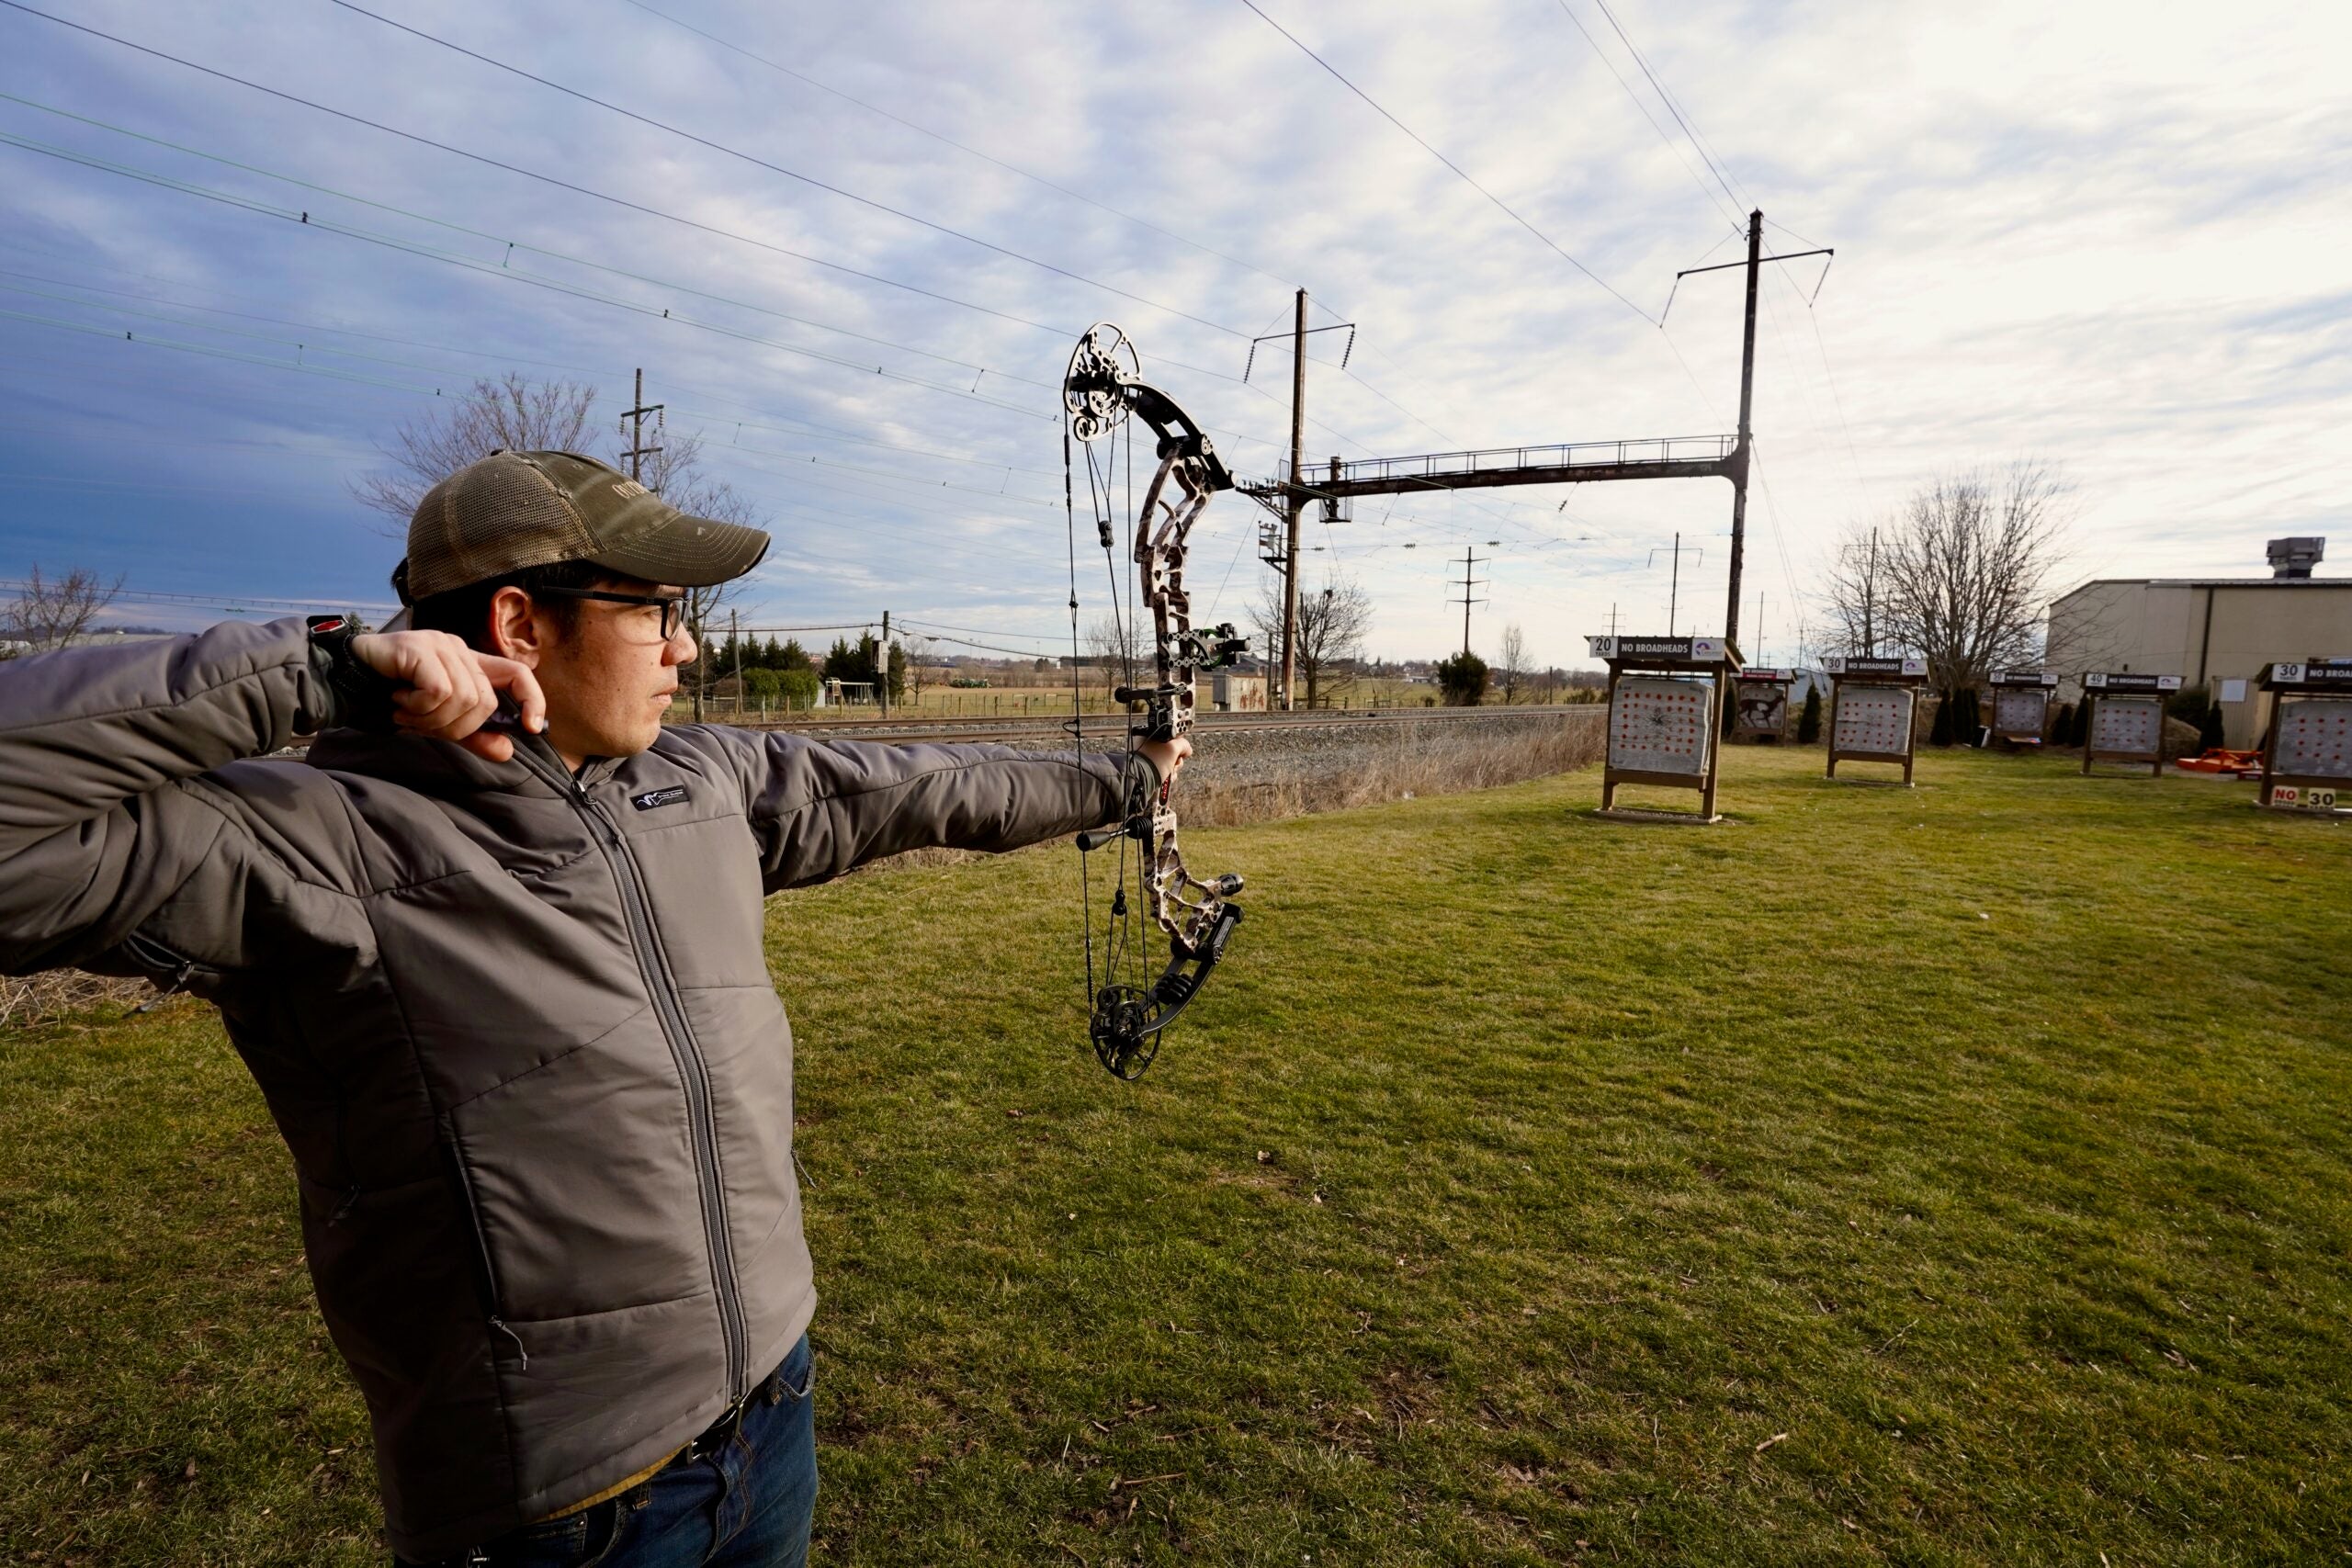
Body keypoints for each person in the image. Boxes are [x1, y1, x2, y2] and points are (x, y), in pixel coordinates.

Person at [0, 449, 1185, 1566]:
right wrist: (315, 669)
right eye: (658, 611)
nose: (688, 650)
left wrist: (1122, 782)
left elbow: (919, 785)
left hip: (771, 1399)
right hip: (563, 1505)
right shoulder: (312, 839)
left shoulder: (691, 782)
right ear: (519, 623)